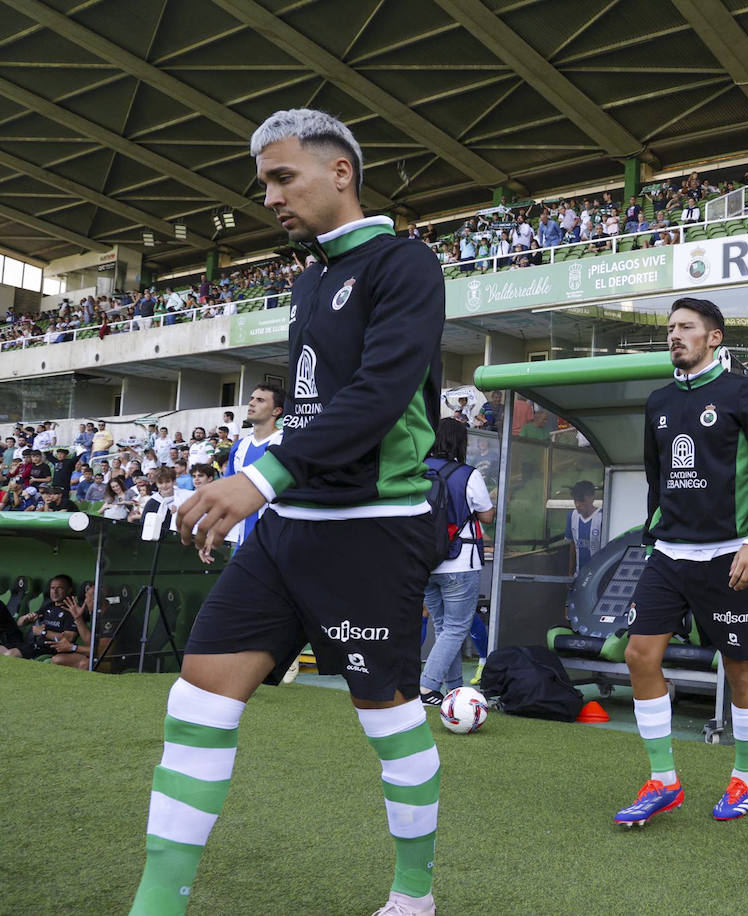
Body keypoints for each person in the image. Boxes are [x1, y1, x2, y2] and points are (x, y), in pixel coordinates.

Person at [132, 109, 447, 916]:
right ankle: (157, 904)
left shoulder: (406, 264)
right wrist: (266, 486)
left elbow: (380, 398)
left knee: (387, 720)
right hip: (289, 528)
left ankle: (414, 897)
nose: (268, 195)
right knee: (197, 697)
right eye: (263, 182)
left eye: (282, 176)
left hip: (373, 529)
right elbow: (316, 407)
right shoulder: (310, 277)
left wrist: (261, 477)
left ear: (340, 170)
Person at [618, 297, 748, 826]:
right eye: (670, 328)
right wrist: (650, 538)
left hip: (729, 554)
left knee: (740, 670)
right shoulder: (659, 401)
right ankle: (664, 781)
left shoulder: (744, 392)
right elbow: (656, 477)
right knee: (640, 657)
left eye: (686, 327)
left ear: (714, 337)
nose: (675, 336)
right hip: (668, 552)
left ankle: (744, 778)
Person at [417, 418, 495, 708]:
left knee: (443, 627)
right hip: (460, 560)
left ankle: (454, 691)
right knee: (456, 628)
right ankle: (426, 687)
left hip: (424, 561)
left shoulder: (419, 470)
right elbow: (486, 515)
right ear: (461, 443)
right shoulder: (467, 474)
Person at [223, 382, 285, 549]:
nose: (251, 403)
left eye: (260, 400)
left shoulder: (285, 442)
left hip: (277, 541)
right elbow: (229, 492)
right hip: (243, 542)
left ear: (276, 411)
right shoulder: (239, 446)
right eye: (251, 399)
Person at [3, 574, 78, 660]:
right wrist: (26, 618)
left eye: (60, 588)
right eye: (52, 588)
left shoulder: (72, 611)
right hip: (34, 644)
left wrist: (44, 632)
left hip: (51, 648)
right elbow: (19, 623)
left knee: (11, 654)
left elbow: (69, 638)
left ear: (69, 590)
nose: (55, 591)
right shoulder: (49, 606)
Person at [567, 479, 603, 577]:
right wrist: (570, 573)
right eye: (575, 500)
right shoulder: (572, 516)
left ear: (592, 498)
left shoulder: (602, 517)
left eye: (582, 501)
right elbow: (573, 545)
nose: (578, 504)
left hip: (597, 576)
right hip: (578, 575)